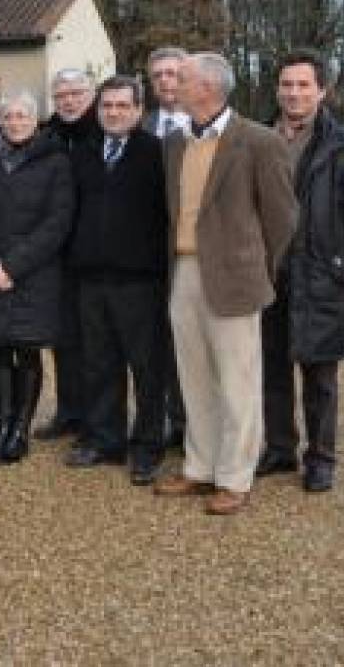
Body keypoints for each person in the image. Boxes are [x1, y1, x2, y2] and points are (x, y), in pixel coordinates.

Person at [153, 53, 296, 516]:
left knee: (237, 383)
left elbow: (283, 218)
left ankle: (235, 477)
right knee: (193, 380)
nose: (173, 82)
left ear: (209, 88)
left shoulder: (258, 141)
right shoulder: (175, 142)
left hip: (234, 277)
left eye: (184, 76)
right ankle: (200, 467)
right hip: (184, 272)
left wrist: (257, 268)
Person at [257, 50, 344, 493]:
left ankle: (321, 457)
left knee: (319, 374)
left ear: (322, 91)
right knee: (271, 369)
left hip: (321, 270)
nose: (294, 93)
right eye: (287, 85)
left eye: (303, 85)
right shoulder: (259, 137)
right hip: (268, 274)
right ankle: (279, 448)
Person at [0, 91, 74, 464]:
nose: (15, 122)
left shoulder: (56, 164)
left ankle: (21, 427)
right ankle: (1, 422)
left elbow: (57, 222)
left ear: (35, 121)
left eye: (23, 116)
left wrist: (13, 265)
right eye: (8, 116)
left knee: (27, 348)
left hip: (33, 274)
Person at [65, 76, 169, 485]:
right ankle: (105, 438)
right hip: (91, 278)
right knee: (99, 363)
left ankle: (146, 446)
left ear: (138, 110)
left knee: (146, 367)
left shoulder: (155, 153)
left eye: (122, 106)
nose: (113, 112)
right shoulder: (84, 151)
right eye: (107, 105)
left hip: (139, 281)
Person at [37, 68, 98, 443]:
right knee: (64, 339)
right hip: (56, 255)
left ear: (89, 95)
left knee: (95, 341)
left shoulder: (102, 132)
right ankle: (68, 411)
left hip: (93, 250)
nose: (69, 100)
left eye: (76, 93)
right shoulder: (48, 137)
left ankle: (96, 417)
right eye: (61, 95)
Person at [143, 45, 190, 450]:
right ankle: (156, 420)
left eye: (173, 73)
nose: (165, 81)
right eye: (158, 75)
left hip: (191, 253)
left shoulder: (207, 126)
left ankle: (189, 422)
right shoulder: (140, 127)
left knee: (191, 342)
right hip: (146, 253)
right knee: (152, 342)